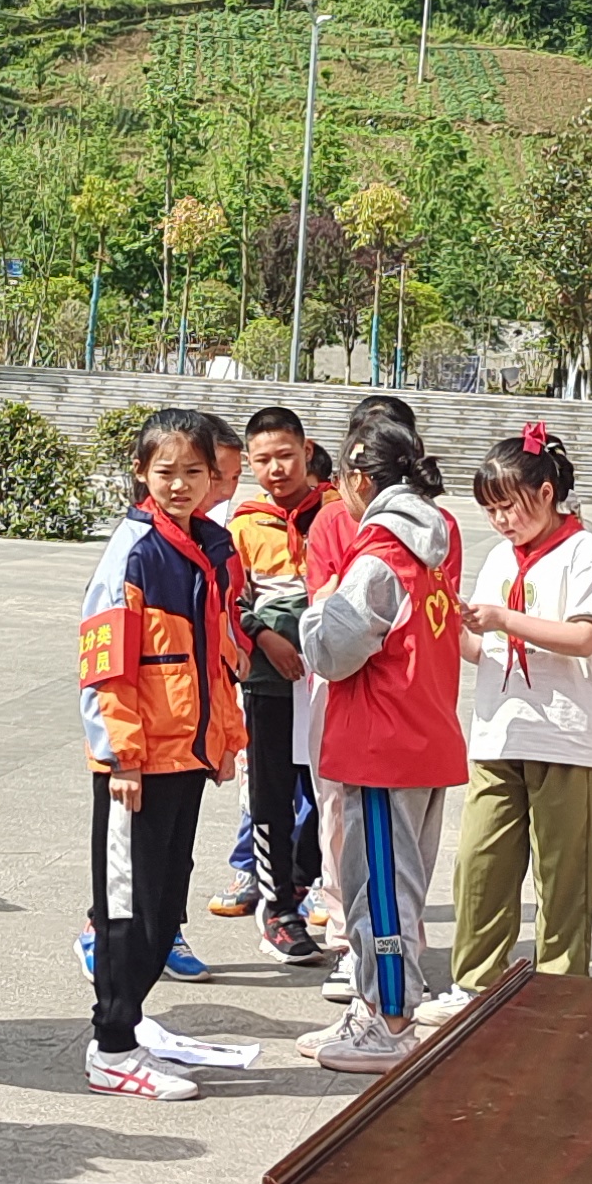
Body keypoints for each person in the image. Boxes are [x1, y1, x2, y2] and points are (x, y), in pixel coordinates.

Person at [75, 410, 246, 1101]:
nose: (180, 484)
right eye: (165, 471)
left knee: (165, 899)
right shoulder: (135, 550)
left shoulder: (211, 544)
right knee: (127, 908)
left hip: (187, 753)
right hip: (138, 763)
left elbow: (218, 655)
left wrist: (228, 739)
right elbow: (105, 665)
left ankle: (133, 1023)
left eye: (194, 472)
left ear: (214, 477)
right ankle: (111, 1044)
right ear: (141, 473)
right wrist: (122, 756)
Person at [294, 419, 464, 1075]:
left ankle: (390, 1020)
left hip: (382, 744)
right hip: (419, 737)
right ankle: (372, 1006)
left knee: (382, 889)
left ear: (361, 480)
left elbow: (332, 650)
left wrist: (312, 611)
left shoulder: (379, 555)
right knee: (392, 883)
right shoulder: (431, 547)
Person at [441, 422, 592, 1008]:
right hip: (499, 730)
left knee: (564, 877)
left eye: (509, 506)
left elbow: (584, 637)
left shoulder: (583, 548)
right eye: (491, 510)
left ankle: (562, 991)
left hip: (566, 735)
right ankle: (474, 982)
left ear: (546, 494)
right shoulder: (498, 557)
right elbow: (480, 649)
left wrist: (503, 620)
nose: (501, 521)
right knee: (480, 862)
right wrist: (451, 623)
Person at [219, 406, 325, 966]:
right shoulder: (243, 523)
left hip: (331, 683)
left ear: (307, 451)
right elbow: (231, 600)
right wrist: (265, 638)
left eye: (285, 456)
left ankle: (308, 885)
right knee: (269, 794)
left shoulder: (336, 511)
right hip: (267, 680)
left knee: (328, 791)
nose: (275, 469)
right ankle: (277, 909)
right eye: (262, 460)